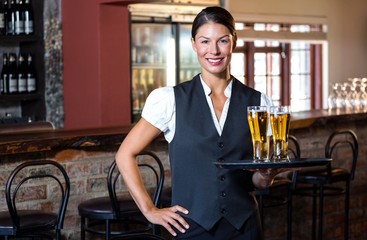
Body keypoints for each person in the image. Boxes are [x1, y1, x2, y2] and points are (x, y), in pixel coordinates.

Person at [115, 6, 282, 240]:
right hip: (190, 228)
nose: (213, 50)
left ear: (234, 42)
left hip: (244, 227)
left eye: (222, 41)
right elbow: (125, 154)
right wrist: (149, 210)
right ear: (194, 44)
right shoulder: (169, 100)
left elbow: (257, 181)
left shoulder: (258, 103)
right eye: (205, 41)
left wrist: (266, 176)